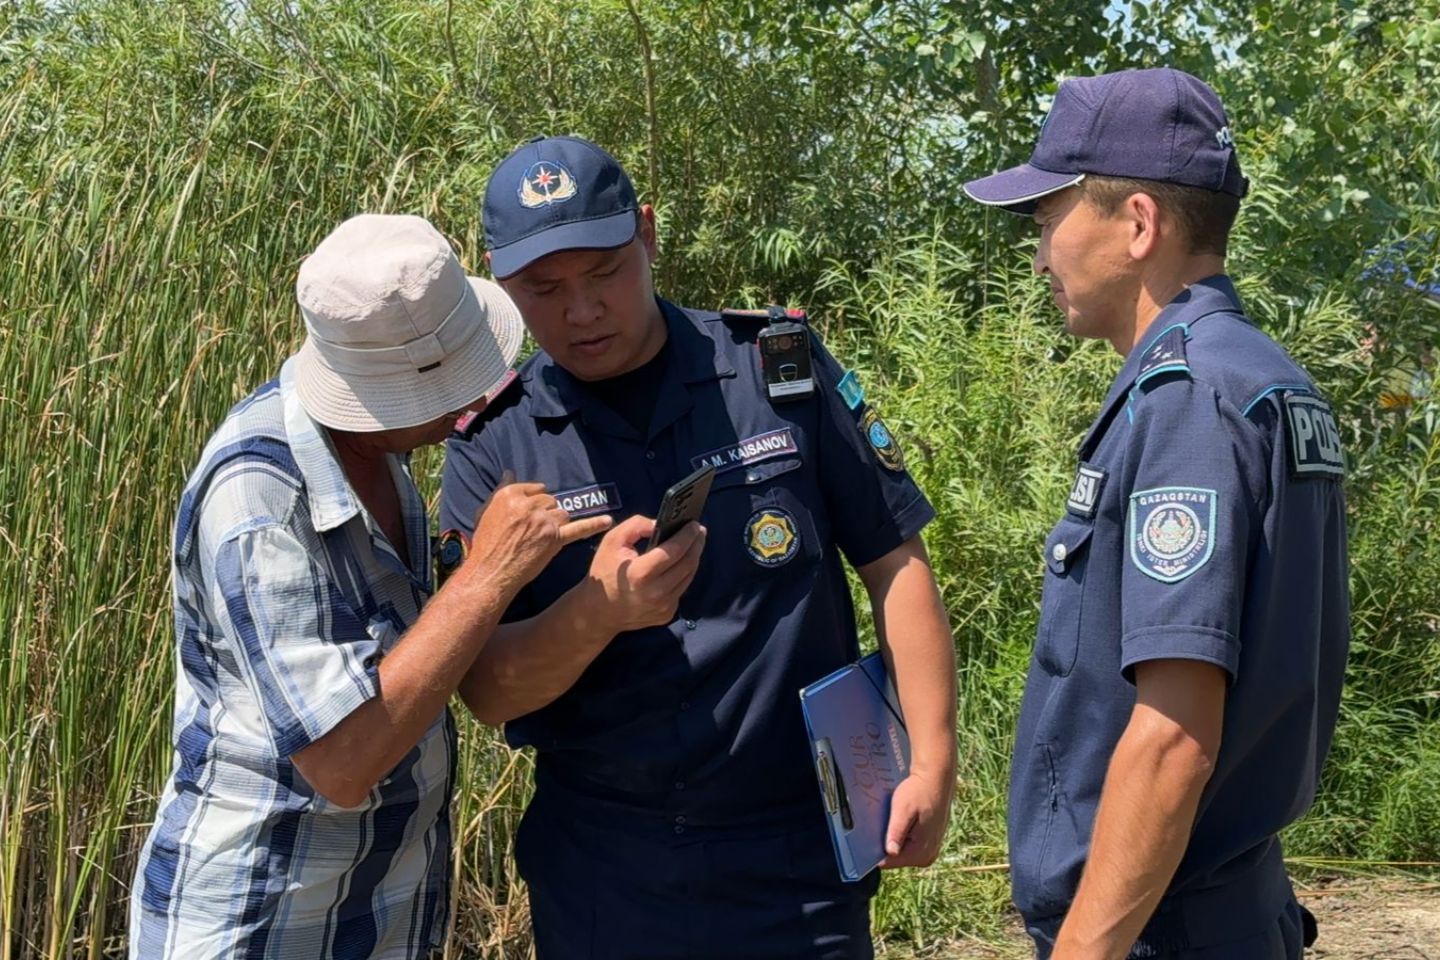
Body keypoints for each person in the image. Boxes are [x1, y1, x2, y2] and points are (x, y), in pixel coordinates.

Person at [439, 135, 958, 959]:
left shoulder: (776, 372)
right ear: (501, 281)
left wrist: (931, 762)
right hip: (606, 871)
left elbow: (895, 564)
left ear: (646, 234)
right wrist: (595, 614)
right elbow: (489, 690)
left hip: (796, 855)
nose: (580, 311)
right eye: (544, 289)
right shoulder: (493, 446)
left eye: (604, 273)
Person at [129, 214, 616, 958]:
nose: (474, 399)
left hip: (377, 909)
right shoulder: (260, 496)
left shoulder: (370, 455)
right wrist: (488, 577)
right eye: (452, 380)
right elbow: (344, 763)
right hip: (266, 917)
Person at [962, 68, 1348, 959]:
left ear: (1137, 224)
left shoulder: (1189, 402)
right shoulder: (1265, 379)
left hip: (1161, 930)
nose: (1037, 255)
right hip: (1223, 911)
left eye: (1049, 220)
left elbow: (1173, 740)